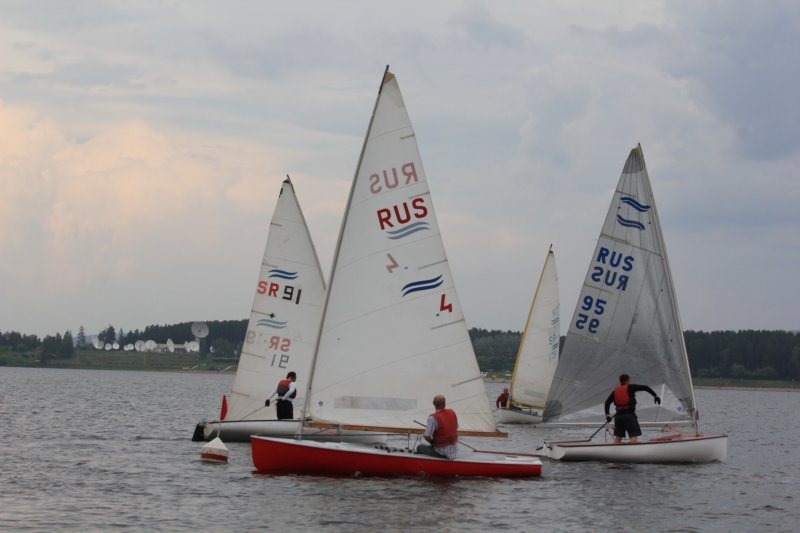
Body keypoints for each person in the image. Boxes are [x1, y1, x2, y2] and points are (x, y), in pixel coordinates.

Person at [604, 373, 661, 443]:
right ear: (628, 380)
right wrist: (655, 396)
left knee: (618, 437)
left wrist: (607, 415)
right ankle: (633, 449)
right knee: (633, 436)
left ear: (620, 381)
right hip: (629, 416)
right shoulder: (631, 387)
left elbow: (607, 403)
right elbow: (645, 387)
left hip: (618, 417)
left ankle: (615, 449)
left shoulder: (615, 391)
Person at [416, 394, 459, 459]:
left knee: (420, 447)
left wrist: (433, 442)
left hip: (442, 453)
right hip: (454, 451)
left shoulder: (433, 418)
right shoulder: (452, 412)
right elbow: (456, 427)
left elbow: (427, 436)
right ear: (445, 403)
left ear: (434, 404)